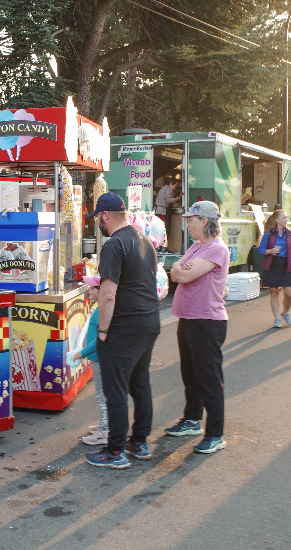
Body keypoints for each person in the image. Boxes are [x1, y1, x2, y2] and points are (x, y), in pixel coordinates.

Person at [85, 192, 161, 470]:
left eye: (99, 219)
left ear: (106, 215)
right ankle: (139, 441)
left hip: (124, 327)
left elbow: (107, 294)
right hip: (149, 322)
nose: (99, 225)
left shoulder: (114, 245)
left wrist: (103, 331)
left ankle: (115, 450)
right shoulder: (144, 241)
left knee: (115, 390)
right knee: (140, 385)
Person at [166, 201, 229, 454]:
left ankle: (215, 434)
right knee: (190, 374)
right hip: (189, 318)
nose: (187, 222)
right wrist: (179, 268)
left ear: (204, 221)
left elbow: (183, 275)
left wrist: (180, 269)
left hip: (207, 321)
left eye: (191, 219)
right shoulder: (197, 245)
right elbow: (175, 271)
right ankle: (192, 420)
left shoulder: (216, 249)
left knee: (209, 379)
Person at [67, 275, 109, 446]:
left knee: (102, 395)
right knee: (104, 394)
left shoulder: (102, 310)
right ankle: (105, 426)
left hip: (101, 357)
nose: (88, 290)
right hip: (102, 357)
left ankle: (106, 432)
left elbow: (100, 338)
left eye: (92, 288)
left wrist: (81, 353)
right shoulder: (101, 308)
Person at [258, 209, 291, 328]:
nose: (286, 220)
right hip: (272, 264)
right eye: (284, 218)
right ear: (277, 220)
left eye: (287, 218)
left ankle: (285, 312)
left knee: (289, 294)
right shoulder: (268, 234)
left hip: (286, 265)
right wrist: (269, 251)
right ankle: (277, 318)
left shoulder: (289, 234)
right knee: (274, 292)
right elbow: (260, 249)